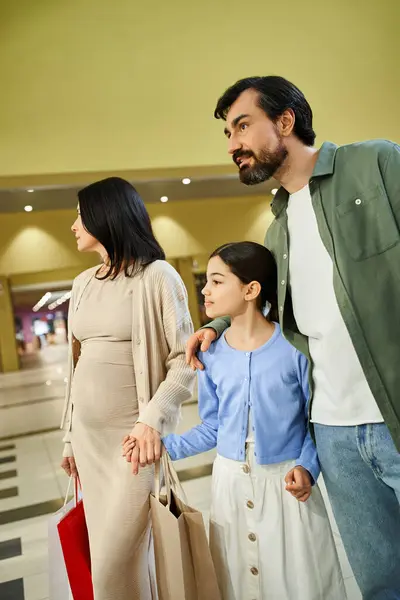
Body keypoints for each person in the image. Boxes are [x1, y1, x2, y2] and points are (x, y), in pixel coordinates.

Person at [186, 76, 400, 599]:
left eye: (242, 125)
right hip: (333, 430)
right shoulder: (277, 226)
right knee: (379, 582)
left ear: (285, 122)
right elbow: (267, 306)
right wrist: (214, 327)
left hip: (393, 411)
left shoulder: (375, 164)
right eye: (228, 134)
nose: (233, 144)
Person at [149, 241, 344, 600]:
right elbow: (213, 426)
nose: (205, 290)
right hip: (229, 487)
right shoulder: (211, 355)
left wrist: (307, 466)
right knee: (238, 579)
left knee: (298, 579)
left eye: (217, 281)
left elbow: (315, 421)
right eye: (206, 281)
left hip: (285, 486)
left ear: (251, 289)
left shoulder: (294, 350)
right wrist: (163, 448)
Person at [60, 177, 195, 600]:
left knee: (112, 568)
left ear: (106, 216)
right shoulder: (82, 284)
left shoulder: (157, 277)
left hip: (132, 445)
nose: (74, 225)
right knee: (113, 562)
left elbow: (184, 359)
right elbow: (75, 368)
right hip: (88, 443)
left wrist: (152, 421)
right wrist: (69, 438)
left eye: (81, 215)